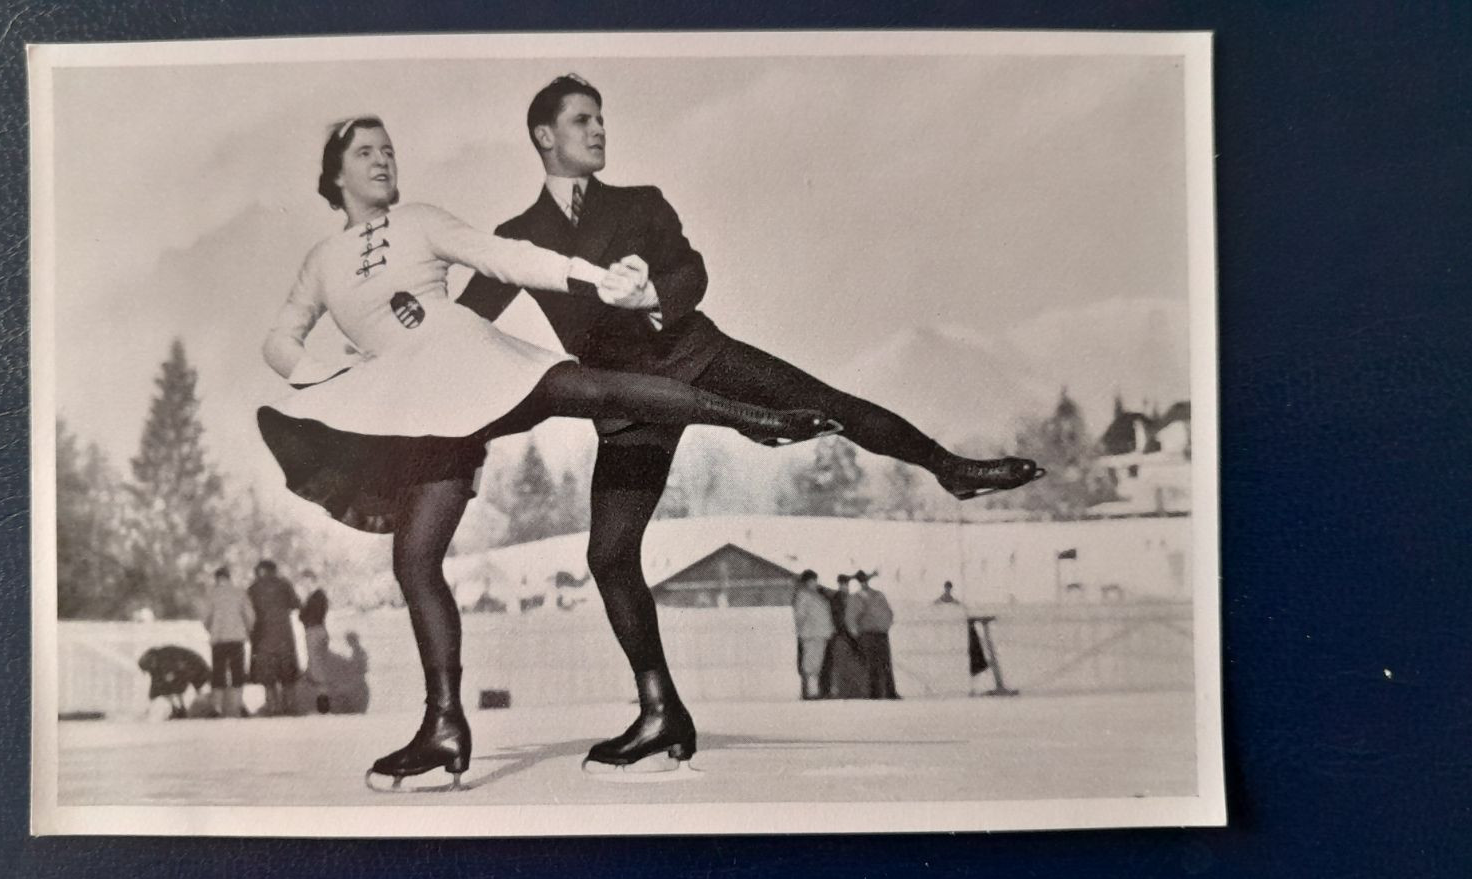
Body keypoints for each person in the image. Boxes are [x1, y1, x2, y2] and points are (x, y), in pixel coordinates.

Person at [457, 75, 1045, 768]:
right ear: (544, 136)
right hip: (627, 401)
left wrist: (653, 294)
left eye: (602, 120)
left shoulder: (640, 202)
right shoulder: (518, 238)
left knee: (831, 403)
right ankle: (661, 713)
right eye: (583, 120)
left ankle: (950, 469)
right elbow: (465, 324)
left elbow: (690, 271)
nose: (599, 131)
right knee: (609, 556)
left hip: (698, 353)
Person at [256, 115, 836, 789]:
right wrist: (323, 375)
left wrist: (589, 279)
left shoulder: (418, 219)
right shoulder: (320, 264)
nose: (383, 159)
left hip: (466, 358)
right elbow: (281, 338)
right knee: (415, 563)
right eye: (365, 152)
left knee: (597, 389)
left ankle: (754, 416)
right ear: (335, 174)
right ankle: (443, 725)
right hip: (415, 407)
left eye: (388, 149)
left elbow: (505, 256)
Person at [247, 559, 301, 716]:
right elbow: (296, 604)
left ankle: (273, 707)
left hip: (262, 638)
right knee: (287, 675)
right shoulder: (284, 585)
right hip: (284, 638)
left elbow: (247, 611)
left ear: (260, 571)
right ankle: (290, 706)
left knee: (268, 676)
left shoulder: (254, 588)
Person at [201, 565, 255, 717]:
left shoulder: (211, 594)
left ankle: (217, 708)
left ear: (217, 579)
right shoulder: (239, 593)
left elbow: (205, 618)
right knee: (238, 672)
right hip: (237, 638)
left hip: (218, 639)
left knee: (218, 673)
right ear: (229, 577)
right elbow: (250, 616)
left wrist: (212, 630)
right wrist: (246, 630)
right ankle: (239, 706)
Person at [846, 570, 900, 700]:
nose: (863, 583)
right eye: (861, 580)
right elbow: (851, 616)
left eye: (864, 580)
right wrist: (854, 631)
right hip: (867, 633)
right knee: (871, 664)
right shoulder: (857, 597)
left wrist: (888, 623)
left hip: (881, 632)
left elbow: (888, 611)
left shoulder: (879, 595)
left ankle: (889, 692)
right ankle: (873, 693)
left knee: (885, 663)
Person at [823, 574, 870, 699]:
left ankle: (853, 691)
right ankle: (842, 691)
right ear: (839, 584)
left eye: (847, 584)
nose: (845, 587)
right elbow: (839, 619)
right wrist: (848, 632)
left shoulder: (849, 598)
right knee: (842, 664)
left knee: (851, 663)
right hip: (842, 636)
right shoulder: (837, 599)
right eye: (843, 584)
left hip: (849, 635)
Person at [791, 570, 833, 701]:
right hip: (810, 633)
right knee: (810, 664)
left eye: (815, 580)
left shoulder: (818, 596)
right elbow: (800, 616)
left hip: (821, 633)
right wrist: (802, 629)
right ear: (806, 582)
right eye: (811, 581)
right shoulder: (803, 596)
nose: (814, 583)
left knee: (817, 663)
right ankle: (810, 692)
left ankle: (814, 691)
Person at [137, 645, 211, 720]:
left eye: (149, 669)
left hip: (194, 667)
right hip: (186, 668)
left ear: (152, 661)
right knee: (165, 685)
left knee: (171, 684)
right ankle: (178, 709)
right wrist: (151, 700)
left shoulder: (166, 659)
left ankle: (181, 709)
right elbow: (155, 684)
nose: (149, 672)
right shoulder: (156, 663)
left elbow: (177, 680)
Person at [297, 569, 332, 713]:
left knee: (316, 665)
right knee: (316, 664)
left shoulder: (316, 596)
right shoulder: (317, 595)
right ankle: (321, 702)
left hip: (314, 631)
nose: (304, 584)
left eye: (305, 581)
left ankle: (323, 703)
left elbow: (307, 615)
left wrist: (303, 612)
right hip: (317, 630)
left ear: (310, 580)